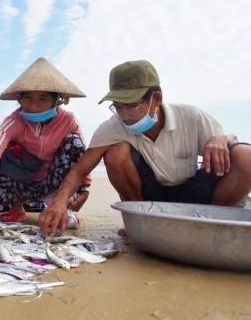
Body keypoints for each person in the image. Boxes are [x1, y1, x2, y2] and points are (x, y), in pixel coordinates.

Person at [39, 60, 251, 235]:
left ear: (156, 99)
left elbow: (233, 151)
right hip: (152, 199)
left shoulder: (191, 117)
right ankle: (141, 225)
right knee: (116, 152)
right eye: (118, 107)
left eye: (131, 105)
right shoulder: (113, 127)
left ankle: (211, 225)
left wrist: (220, 139)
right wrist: (59, 202)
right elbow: (79, 170)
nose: (124, 115)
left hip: (195, 194)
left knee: (246, 156)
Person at [0, 57, 92, 225]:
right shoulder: (14, 121)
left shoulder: (68, 120)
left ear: (57, 101)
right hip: (24, 178)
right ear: (19, 99)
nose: (33, 106)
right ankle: (17, 207)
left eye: (43, 99)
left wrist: (85, 188)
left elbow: (84, 157)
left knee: (74, 143)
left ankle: (57, 202)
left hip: (53, 180)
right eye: (28, 98)